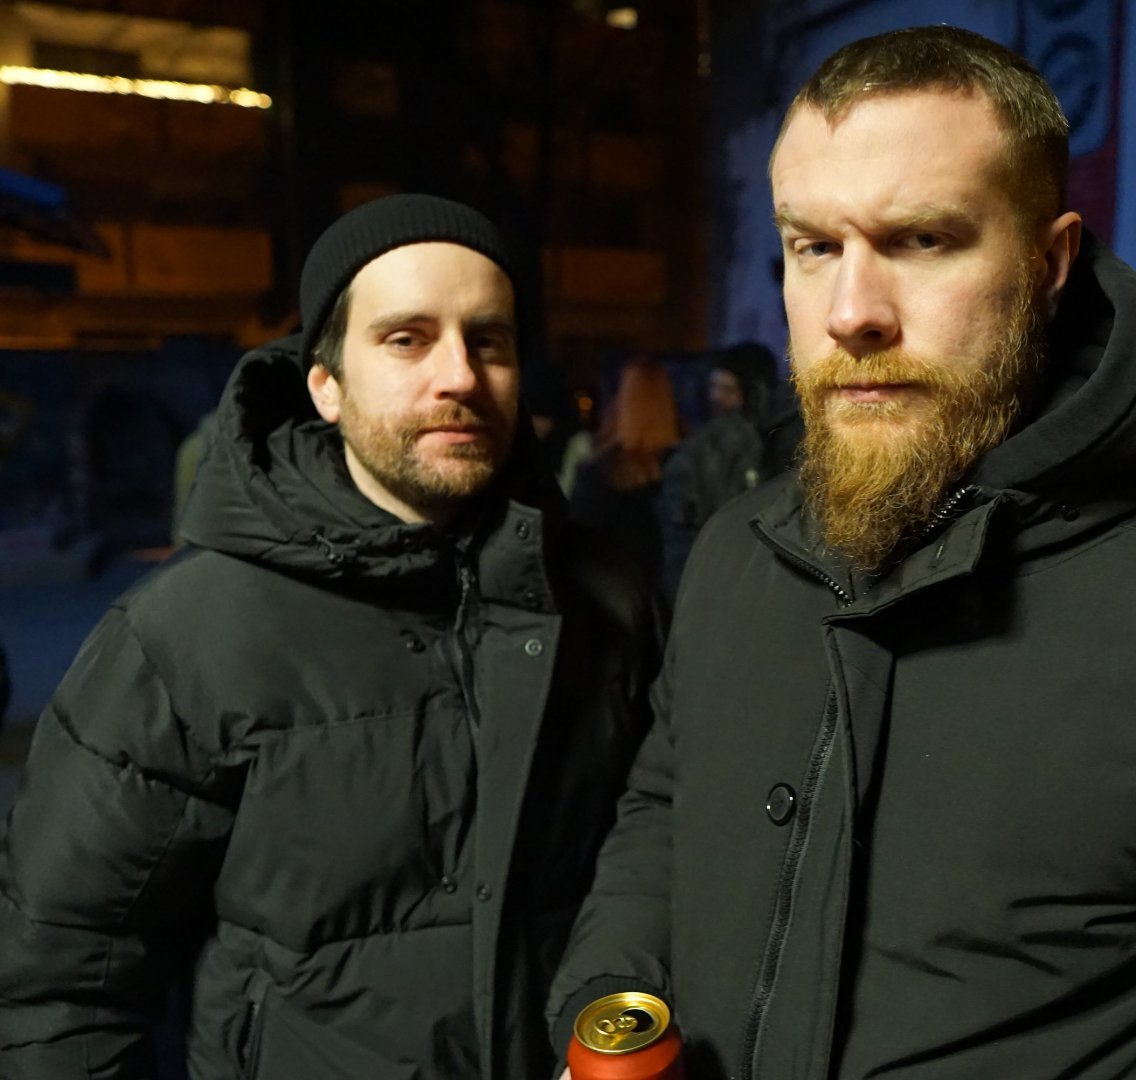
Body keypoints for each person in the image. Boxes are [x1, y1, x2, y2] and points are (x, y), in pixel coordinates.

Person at [546, 26, 1136, 1080]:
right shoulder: (736, 551)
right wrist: (606, 1013)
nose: (851, 313)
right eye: (812, 247)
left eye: (921, 239)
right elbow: (662, 815)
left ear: (1050, 263)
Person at [0, 195, 664, 1080]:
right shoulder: (185, 636)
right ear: (326, 385)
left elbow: (655, 851)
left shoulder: (609, 600)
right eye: (407, 339)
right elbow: (61, 985)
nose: (459, 376)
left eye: (489, 341)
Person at [658, 343, 779, 594]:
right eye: (713, 387)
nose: (716, 397)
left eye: (728, 389)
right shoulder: (702, 450)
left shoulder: (771, 443)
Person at [568, 357, 683, 578]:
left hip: (620, 590)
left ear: (621, 400)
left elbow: (580, 546)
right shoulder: (689, 462)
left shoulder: (601, 470)